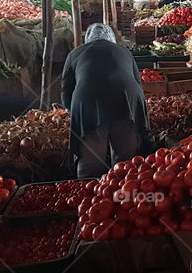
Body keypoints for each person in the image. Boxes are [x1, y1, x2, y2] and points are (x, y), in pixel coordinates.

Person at [62, 24, 151, 178]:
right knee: (126, 160)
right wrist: (136, 113)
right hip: (126, 101)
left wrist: (75, 114)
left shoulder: (75, 53)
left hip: (89, 103)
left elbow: (65, 90)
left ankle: (90, 186)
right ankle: (124, 186)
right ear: (111, 39)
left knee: (91, 161)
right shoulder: (124, 51)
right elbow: (138, 84)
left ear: (88, 39)